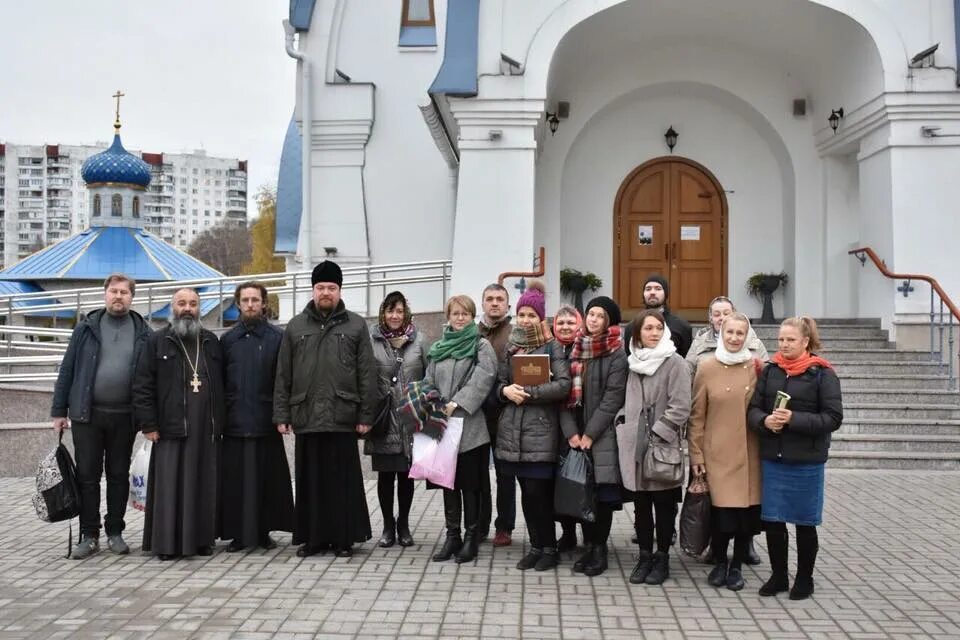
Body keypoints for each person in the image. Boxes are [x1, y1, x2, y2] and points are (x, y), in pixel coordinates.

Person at [273, 260, 377, 558]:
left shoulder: (356, 325)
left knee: (341, 482)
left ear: (340, 290)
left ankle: (344, 539)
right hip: (306, 415)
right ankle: (313, 539)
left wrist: (365, 416)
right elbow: (284, 374)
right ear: (313, 290)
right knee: (310, 483)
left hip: (343, 415)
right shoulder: (295, 326)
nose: (326, 293)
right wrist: (281, 414)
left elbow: (367, 374)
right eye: (321, 288)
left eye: (331, 287)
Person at [51, 274, 151, 559]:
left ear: (132, 297)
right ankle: (89, 533)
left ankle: (115, 532)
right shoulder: (86, 329)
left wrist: (149, 418)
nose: (118, 296)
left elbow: (150, 378)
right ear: (105, 294)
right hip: (87, 415)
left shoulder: (144, 331)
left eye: (124, 292)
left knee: (119, 475)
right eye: (113, 291)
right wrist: (59, 410)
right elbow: (67, 370)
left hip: (125, 417)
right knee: (87, 476)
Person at [748, 316, 843, 600]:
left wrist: (793, 419)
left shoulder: (823, 374)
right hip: (774, 458)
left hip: (806, 461)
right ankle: (778, 576)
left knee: (804, 523)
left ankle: (804, 579)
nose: (784, 345)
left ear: (805, 342)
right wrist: (765, 421)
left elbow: (833, 417)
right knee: (774, 522)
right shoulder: (771, 370)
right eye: (781, 339)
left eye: (791, 340)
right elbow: (753, 408)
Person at [133, 287, 225, 560]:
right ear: (172, 307)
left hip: (204, 427)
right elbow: (142, 385)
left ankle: (200, 540)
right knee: (170, 487)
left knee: (202, 484)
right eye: (182, 303)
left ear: (199, 308)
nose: (187, 308)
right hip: (171, 426)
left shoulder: (210, 341)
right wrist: (148, 424)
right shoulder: (157, 341)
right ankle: (168, 544)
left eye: (193, 304)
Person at [493, 282, 571, 571]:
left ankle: (549, 548)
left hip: (541, 432)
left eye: (531, 315)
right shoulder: (512, 346)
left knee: (540, 493)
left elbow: (563, 385)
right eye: (522, 314)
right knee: (526, 493)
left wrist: (531, 393)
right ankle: (536, 546)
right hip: (513, 434)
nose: (525, 320)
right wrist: (505, 392)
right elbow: (499, 383)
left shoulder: (551, 345)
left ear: (541, 318)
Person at [686, 296, 767, 566]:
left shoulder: (757, 367)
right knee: (722, 513)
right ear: (720, 332)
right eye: (729, 332)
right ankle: (719, 562)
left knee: (747, 513)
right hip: (717, 453)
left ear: (748, 336)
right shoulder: (707, 366)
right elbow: (697, 416)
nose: (734, 337)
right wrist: (696, 456)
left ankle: (738, 565)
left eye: (740, 333)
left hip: (749, 452)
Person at [219, 282, 294, 552]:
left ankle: (263, 531)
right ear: (238, 304)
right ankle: (239, 534)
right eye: (245, 300)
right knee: (236, 482)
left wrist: (282, 415)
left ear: (264, 303)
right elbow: (221, 383)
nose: (250, 304)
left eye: (255, 299)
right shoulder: (227, 341)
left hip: (265, 420)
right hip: (235, 421)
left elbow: (284, 380)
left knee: (266, 481)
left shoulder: (277, 338)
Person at [618, 310, 691, 585]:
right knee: (641, 505)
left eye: (658, 328)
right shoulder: (633, 361)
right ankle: (644, 555)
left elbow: (681, 405)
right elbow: (625, 400)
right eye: (648, 328)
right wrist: (621, 423)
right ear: (637, 334)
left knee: (663, 505)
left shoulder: (675, 363)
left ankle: (662, 558)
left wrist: (658, 434)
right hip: (634, 444)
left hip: (661, 446)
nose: (654, 333)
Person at [425, 295, 497, 564]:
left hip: (470, 427)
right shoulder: (439, 346)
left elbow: (485, 377)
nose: (460, 318)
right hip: (443, 424)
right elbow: (428, 378)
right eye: (455, 313)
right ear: (448, 316)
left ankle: (470, 538)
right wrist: (434, 400)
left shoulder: (481, 345)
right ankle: (452, 535)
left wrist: (458, 402)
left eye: (465, 313)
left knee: (470, 486)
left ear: (472, 316)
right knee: (448, 483)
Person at [564, 296, 628, 577]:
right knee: (581, 492)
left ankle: (599, 548)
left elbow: (613, 398)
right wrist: (571, 433)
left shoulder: (616, 353)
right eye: (590, 314)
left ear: (609, 321)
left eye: (600, 316)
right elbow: (563, 393)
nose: (593, 319)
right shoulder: (575, 348)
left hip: (602, 435)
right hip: (575, 434)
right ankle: (588, 546)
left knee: (600, 497)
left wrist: (590, 434)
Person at [364, 291, 428, 548]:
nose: (394, 316)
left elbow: (428, 375)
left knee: (405, 476)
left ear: (406, 313)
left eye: (399, 311)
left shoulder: (419, 340)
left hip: (409, 417)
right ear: (383, 313)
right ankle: (388, 526)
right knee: (385, 476)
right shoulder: (372, 340)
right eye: (390, 311)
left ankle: (404, 525)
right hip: (383, 418)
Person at [477, 283, 516, 546]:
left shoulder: (515, 334)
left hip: (505, 415)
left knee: (505, 475)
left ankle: (504, 526)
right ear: (482, 304)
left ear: (507, 305)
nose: (494, 303)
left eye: (499, 299)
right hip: (477, 415)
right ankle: (479, 525)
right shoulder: (472, 333)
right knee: (479, 474)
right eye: (489, 299)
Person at [552, 304, 583, 553]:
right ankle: (568, 532)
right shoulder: (551, 348)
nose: (565, 327)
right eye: (561, 322)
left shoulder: (584, 348)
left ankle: (589, 535)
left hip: (580, 425)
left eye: (570, 322)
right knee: (560, 483)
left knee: (580, 481)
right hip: (553, 427)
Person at [686, 296, 768, 376]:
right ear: (711, 318)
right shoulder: (699, 342)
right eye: (717, 314)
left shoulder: (754, 343)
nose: (722, 318)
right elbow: (687, 373)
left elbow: (767, 373)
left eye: (726, 313)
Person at [625, 275, 692, 358]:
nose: (652, 292)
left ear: (666, 293)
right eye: (648, 289)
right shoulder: (632, 327)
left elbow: (686, 360)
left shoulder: (681, 326)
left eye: (658, 289)